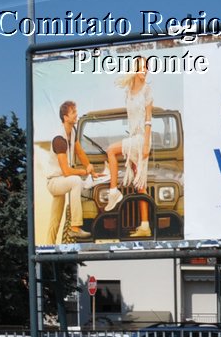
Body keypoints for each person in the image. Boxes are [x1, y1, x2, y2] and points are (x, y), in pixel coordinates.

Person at [105, 56, 154, 239]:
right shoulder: (129, 91)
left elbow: (148, 119)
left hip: (141, 140)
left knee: (111, 150)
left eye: (146, 68)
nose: (145, 71)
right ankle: (145, 225)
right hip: (133, 137)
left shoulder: (147, 90)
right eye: (142, 67)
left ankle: (113, 191)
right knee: (140, 185)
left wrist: (147, 144)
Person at [45, 101, 95, 243]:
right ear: (65, 117)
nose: (76, 114)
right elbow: (66, 171)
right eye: (73, 112)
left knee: (55, 219)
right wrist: (83, 171)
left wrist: (90, 168)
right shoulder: (59, 139)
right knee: (75, 181)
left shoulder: (72, 132)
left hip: (62, 181)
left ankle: (49, 246)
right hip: (55, 181)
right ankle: (75, 227)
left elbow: (79, 151)